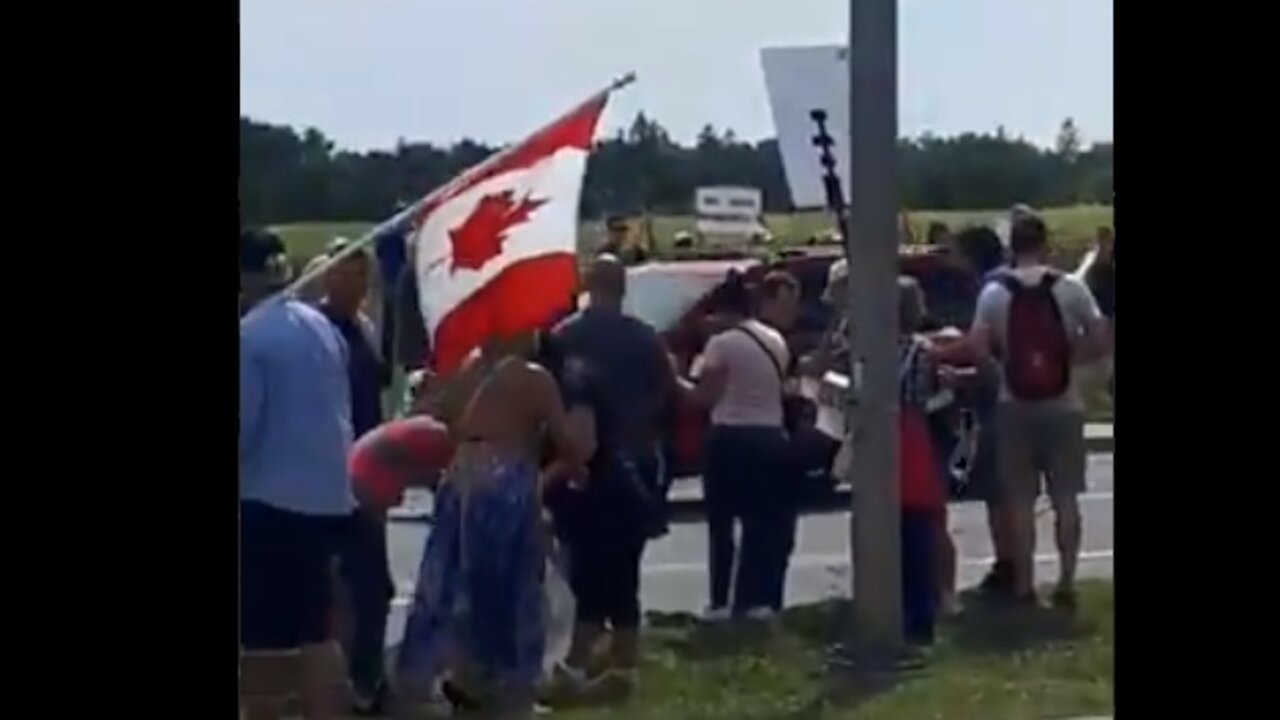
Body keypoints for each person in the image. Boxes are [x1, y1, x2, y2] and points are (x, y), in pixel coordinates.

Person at [395, 331, 588, 718]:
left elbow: (441, 411)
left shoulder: (471, 367)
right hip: (506, 475)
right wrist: (577, 456)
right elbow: (564, 436)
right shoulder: (533, 377)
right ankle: (504, 679)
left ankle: (440, 670)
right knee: (510, 579)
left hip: (463, 471)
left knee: (451, 572)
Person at [963, 214, 1111, 608]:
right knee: (1066, 498)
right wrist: (1069, 367)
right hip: (1064, 405)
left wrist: (1002, 375)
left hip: (1015, 405)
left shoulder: (994, 293)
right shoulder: (1071, 288)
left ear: (1012, 248)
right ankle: (1066, 581)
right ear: (1046, 244)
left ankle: (1025, 584)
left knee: (1020, 500)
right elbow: (1100, 338)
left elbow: (976, 346)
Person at [548, 254, 678, 698]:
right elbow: (668, 391)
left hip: (580, 463)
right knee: (625, 566)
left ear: (587, 285)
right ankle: (619, 662)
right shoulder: (645, 338)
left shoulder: (563, 337)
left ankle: (582, 658)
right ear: (623, 287)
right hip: (636, 457)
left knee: (580, 565)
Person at [240, 229, 354, 720]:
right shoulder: (320, 326)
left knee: (262, 643)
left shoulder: (251, 337)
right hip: (326, 497)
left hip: (271, 502)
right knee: (316, 633)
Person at [313, 240, 397, 715]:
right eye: (348, 275)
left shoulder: (363, 328)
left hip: (367, 475)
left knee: (372, 586)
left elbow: (376, 397)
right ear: (327, 278)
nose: (358, 286)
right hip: (327, 474)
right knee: (335, 587)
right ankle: (333, 685)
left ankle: (366, 678)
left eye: (363, 277)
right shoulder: (319, 330)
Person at [694, 270, 802, 620]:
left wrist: (675, 383)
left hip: (730, 437)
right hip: (770, 436)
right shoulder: (774, 340)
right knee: (762, 523)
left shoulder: (721, 345)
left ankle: (721, 600)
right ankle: (758, 599)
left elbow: (705, 398)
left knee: (722, 524)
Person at [896, 276, 950, 644]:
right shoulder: (923, 351)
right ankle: (921, 613)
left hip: (880, 437)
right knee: (919, 526)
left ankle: (890, 606)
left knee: (887, 528)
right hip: (914, 437)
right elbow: (935, 398)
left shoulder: (866, 347)